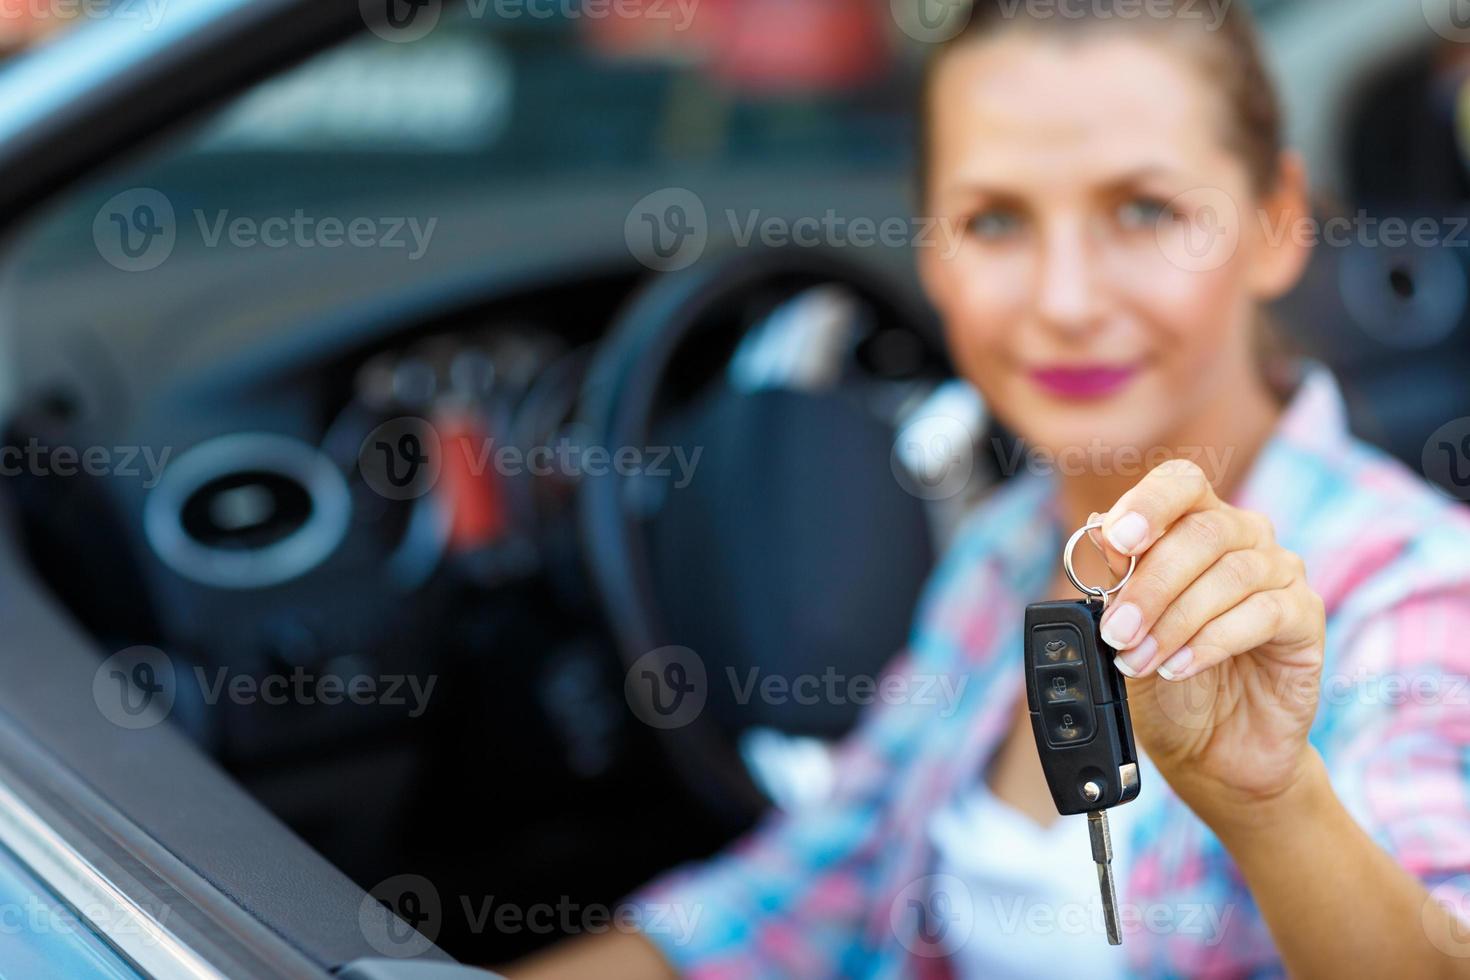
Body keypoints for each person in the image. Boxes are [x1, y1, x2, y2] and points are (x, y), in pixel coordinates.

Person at [511, 2, 1470, 976]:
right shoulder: (1004, 546)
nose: (1065, 299)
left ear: (1275, 224)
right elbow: (802, 896)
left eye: (1145, 210)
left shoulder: (1416, 585)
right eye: (996, 220)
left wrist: (1276, 806)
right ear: (932, 250)